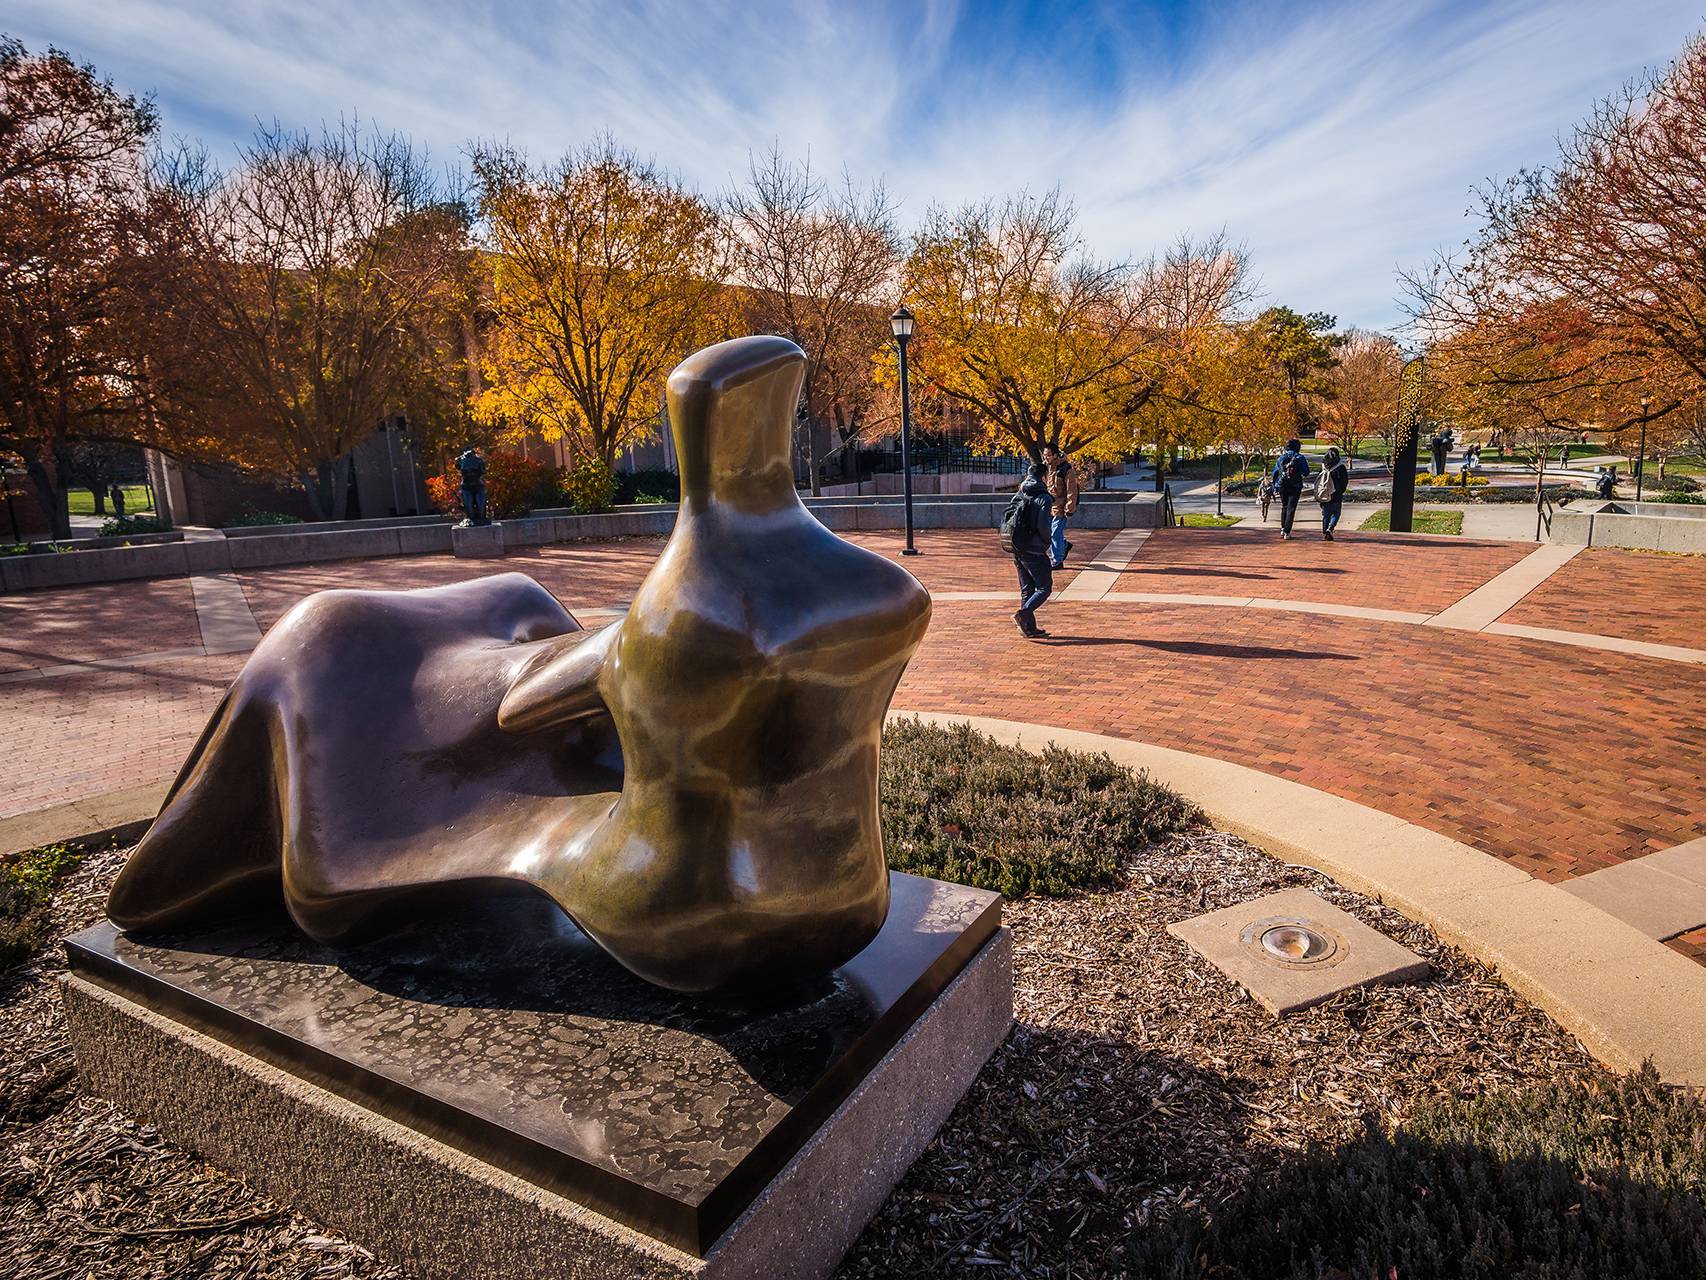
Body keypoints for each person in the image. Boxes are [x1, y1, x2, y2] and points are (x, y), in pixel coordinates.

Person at [1003, 463, 1056, 638]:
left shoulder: (1020, 493)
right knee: (1044, 588)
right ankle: (1023, 614)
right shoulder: (1044, 498)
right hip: (1034, 549)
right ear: (1044, 476)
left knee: (1027, 589)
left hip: (1018, 547)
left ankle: (1029, 627)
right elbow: (1043, 525)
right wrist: (1048, 541)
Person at [1042, 444, 1079, 570]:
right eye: (1045, 455)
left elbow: (1072, 490)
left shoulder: (1065, 468)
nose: (1046, 457)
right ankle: (1063, 545)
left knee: (1055, 532)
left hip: (1061, 507)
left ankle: (1057, 560)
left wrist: (1070, 508)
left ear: (1056, 455)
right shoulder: (1045, 468)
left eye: (1049, 455)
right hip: (1048, 507)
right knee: (1048, 533)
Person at [1271, 438, 1311, 540]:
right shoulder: (1300, 457)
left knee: (1284, 506)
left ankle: (1283, 528)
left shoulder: (1281, 458)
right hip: (1295, 485)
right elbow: (1306, 472)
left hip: (1283, 485)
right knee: (1291, 508)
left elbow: (1275, 473)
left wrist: (1275, 486)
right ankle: (1287, 532)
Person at [1317, 446, 1349, 540]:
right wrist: (1341, 490)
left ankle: (1324, 532)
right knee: (1336, 513)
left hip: (1325, 493)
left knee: (1326, 514)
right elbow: (1345, 481)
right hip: (1337, 494)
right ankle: (1331, 527)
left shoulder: (1323, 467)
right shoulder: (1341, 467)